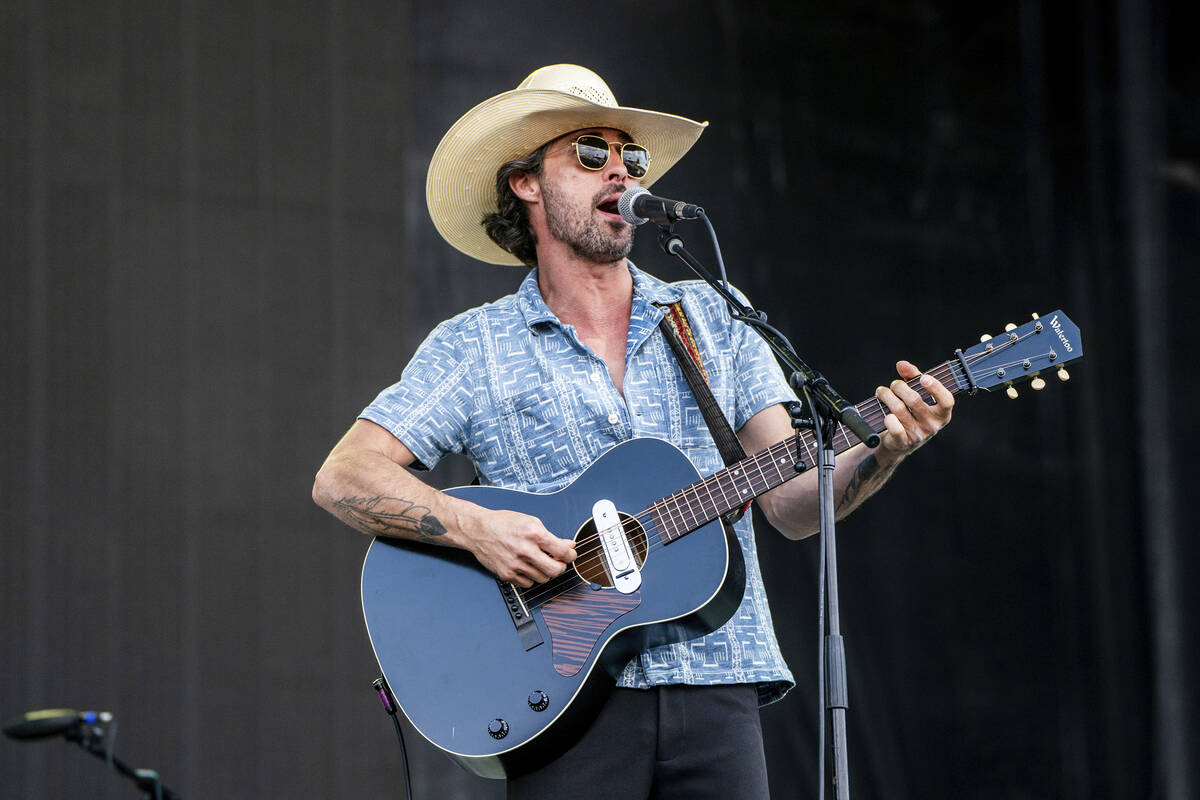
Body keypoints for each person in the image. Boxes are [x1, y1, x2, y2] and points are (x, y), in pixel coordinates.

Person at [312, 64, 953, 798]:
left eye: (631, 158)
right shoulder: (474, 346)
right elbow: (343, 476)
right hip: (562, 700)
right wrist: (473, 528)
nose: (619, 168)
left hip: (722, 679)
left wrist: (886, 450)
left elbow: (794, 504)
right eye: (590, 152)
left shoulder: (710, 314)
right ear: (526, 183)